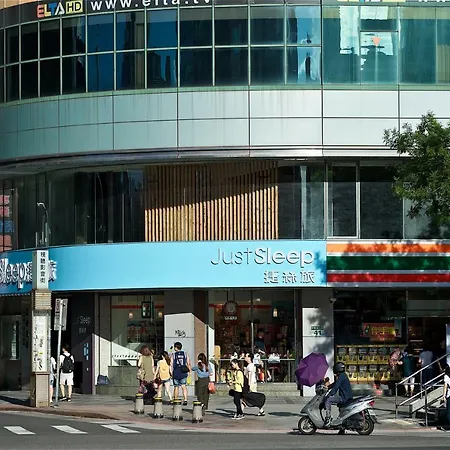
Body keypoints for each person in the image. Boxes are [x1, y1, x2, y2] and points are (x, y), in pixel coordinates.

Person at [324, 362, 353, 428]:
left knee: (328, 400)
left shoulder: (341, 376)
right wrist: (328, 387)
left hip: (344, 398)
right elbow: (335, 384)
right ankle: (342, 429)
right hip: (347, 397)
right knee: (341, 413)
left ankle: (328, 418)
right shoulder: (343, 375)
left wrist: (329, 395)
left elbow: (336, 387)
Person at [171, 342, 191, 406]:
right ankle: (185, 399)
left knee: (176, 387)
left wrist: (171, 373)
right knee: (183, 386)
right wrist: (190, 372)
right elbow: (188, 363)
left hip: (176, 373)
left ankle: (175, 399)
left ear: (176, 347)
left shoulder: (173, 355)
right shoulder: (185, 354)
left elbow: (171, 365)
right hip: (183, 372)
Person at [442, 366, 450, 430]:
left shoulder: (446, 376)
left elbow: (445, 386)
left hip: (449, 395)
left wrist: (444, 396)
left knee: (448, 411)